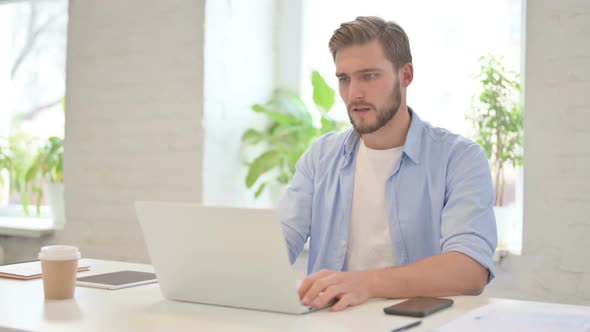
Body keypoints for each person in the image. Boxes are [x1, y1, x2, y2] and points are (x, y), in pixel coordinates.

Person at [278, 16, 497, 312]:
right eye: (344, 79)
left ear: (405, 75)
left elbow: (470, 270)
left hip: (421, 325)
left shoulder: (459, 158)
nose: (353, 93)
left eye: (369, 76)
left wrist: (365, 283)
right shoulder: (321, 157)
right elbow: (278, 244)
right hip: (330, 322)